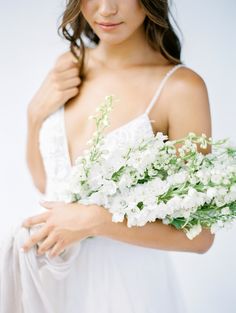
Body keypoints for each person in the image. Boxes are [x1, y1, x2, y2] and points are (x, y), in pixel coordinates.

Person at [20, 0, 215, 312]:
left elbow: (200, 236)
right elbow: (46, 182)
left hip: (125, 291)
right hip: (50, 282)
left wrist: (97, 221)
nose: (106, 9)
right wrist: (34, 115)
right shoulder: (69, 65)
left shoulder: (180, 88)